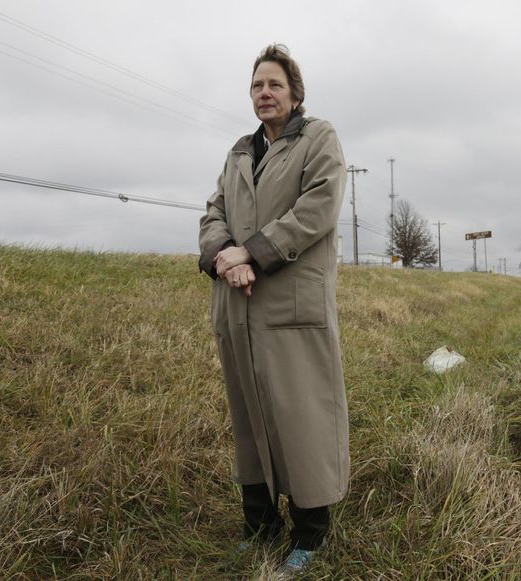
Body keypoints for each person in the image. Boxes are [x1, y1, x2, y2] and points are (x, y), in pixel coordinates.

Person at [197, 44, 349, 575]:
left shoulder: (318, 138)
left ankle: (311, 532)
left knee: (302, 415)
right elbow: (214, 211)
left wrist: (254, 252)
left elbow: (319, 208)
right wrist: (225, 256)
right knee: (247, 417)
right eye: (258, 85)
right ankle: (259, 525)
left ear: (295, 92)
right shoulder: (239, 151)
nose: (265, 93)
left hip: (291, 304)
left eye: (275, 85)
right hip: (237, 304)